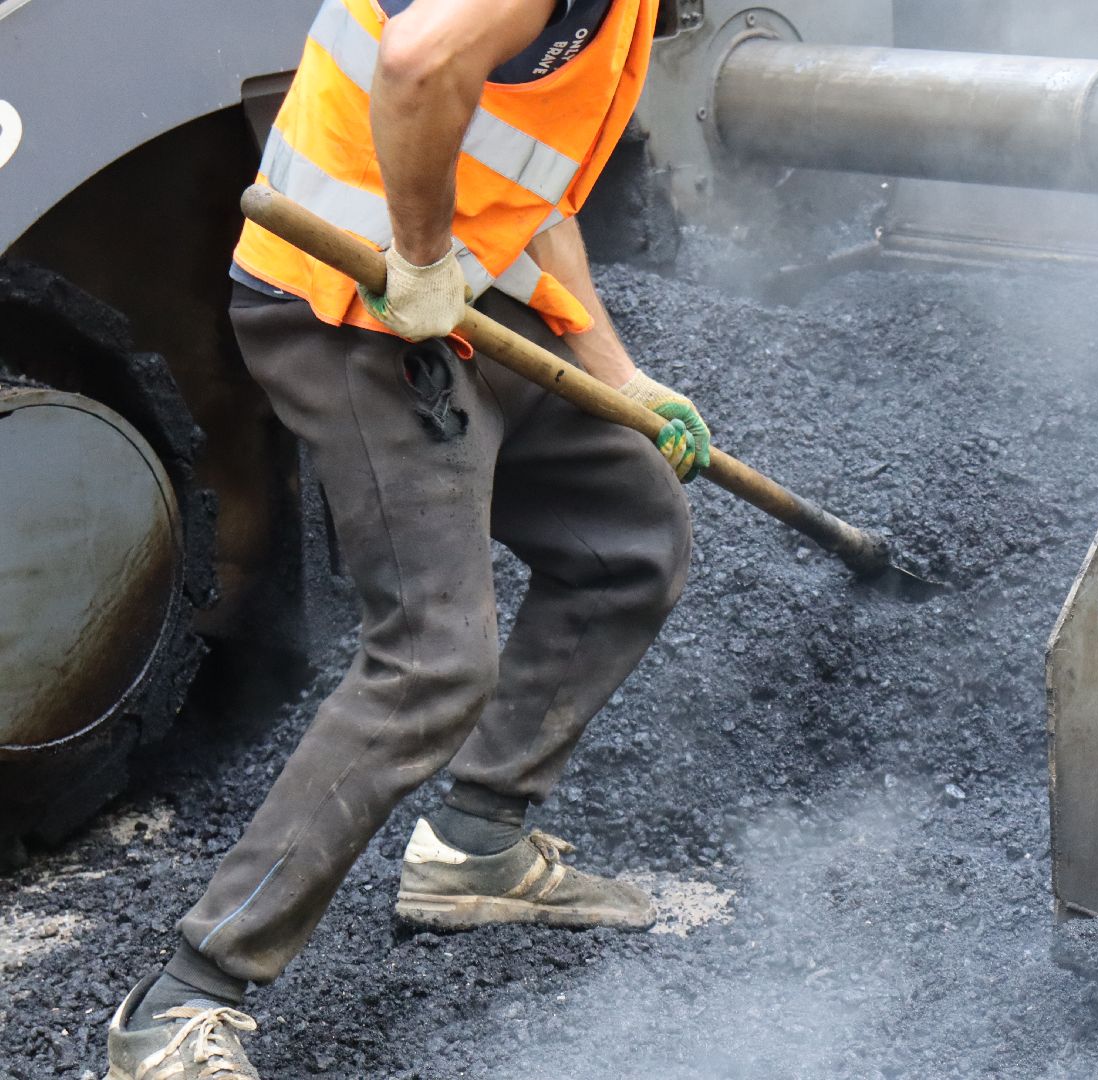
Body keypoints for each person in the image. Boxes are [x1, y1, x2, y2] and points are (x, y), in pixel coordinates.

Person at [105, 1, 705, 1076]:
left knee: (630, 538)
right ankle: (185, 998)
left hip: (464, 300)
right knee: (433, 656)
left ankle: (476, 850)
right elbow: (421, 64)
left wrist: (618, 373)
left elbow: (525, 178)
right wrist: (424, 258)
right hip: (350, 304)